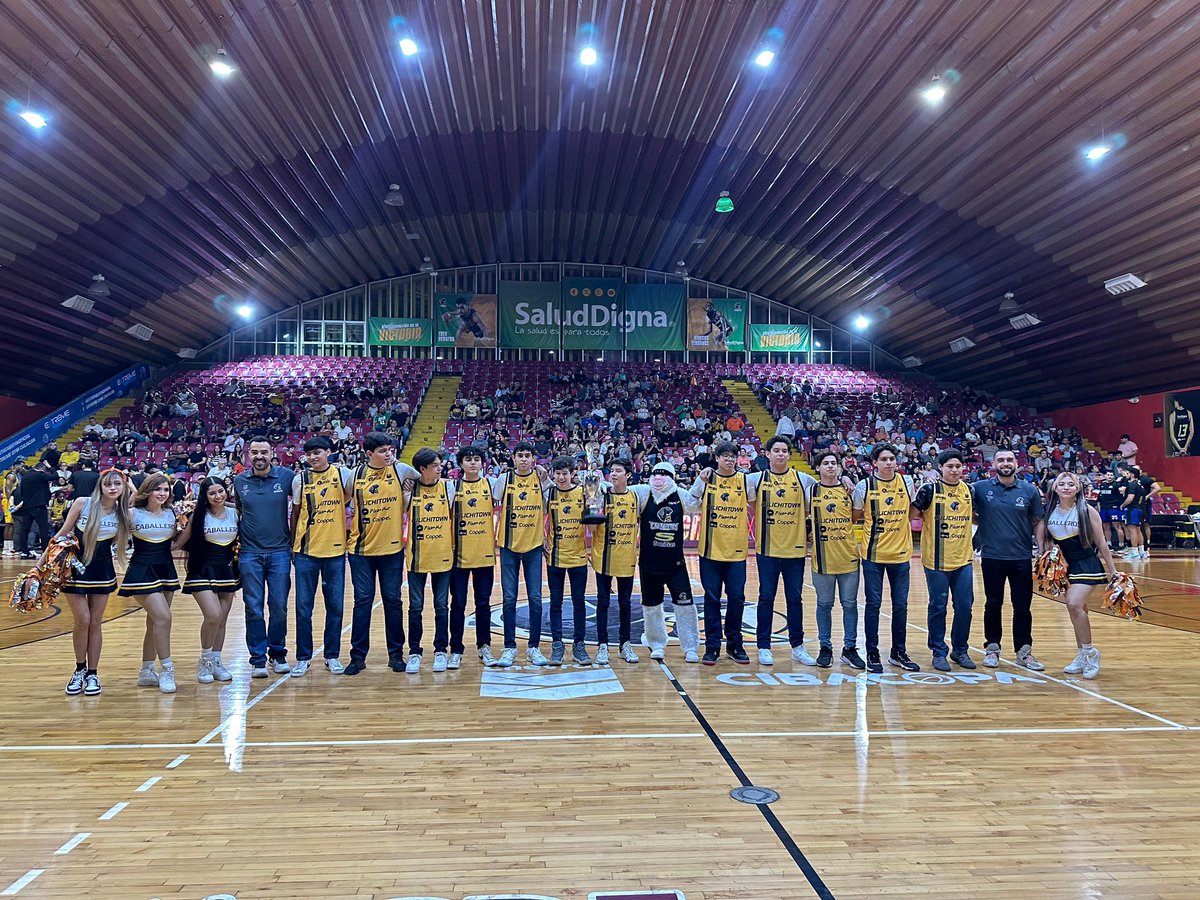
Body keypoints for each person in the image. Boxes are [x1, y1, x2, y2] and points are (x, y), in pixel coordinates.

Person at [44, 468, 129, 696]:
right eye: (108, 484)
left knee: (96, 622)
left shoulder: (123, 513)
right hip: (73, 569)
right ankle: (79, 669)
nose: (112, 488)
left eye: (117, 485)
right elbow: (61, 533)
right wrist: (38, 566)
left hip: (102, 571)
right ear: (100, 486)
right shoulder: (83, 503)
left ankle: (93, 673)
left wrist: (129, 486)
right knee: (83, 619)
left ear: (123, 488)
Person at [1035, 471, 1117, 679]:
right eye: (1061, 484)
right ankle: (1081, 653)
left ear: (1078, 488)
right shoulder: (1049, 511)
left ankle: (1090, 653)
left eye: (1070, 484)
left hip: (1086, 562)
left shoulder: (1087, 511)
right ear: (1054, 488)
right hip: (1064, 565)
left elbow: (1101, 544)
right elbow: (1043, 542)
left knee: (1073, 603)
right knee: (1077, 610)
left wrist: (1113, 571)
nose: (1065, 487)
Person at [746, 435, 817, 666]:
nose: (780, 454)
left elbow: (826, 485)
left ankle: (797, 646)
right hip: (767, 550)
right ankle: (763, 646)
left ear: (789, 454)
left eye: (784, 450)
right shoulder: (756, 479)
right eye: (776, 450)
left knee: (794, 599)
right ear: (767, 454)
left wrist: (846, 480)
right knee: (766, 597)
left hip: (795, 552)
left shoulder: (803, 479)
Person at [972, 449, 1045, 670]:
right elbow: (969, 512)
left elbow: (1037, 521)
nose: (1005, 463)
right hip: (992, 556)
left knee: (1022, 606)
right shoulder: (980, 488)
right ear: (993, 463)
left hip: (1021, 557)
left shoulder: (1029, 490)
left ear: (1016, 463)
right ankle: (992, 648)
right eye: (1001, 460)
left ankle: (1024, 651)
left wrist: (1041, 550)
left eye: (1009, 460)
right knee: (993, 604)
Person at [851, 444, 920, 673]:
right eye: (884, 459)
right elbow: (856, 515)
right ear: (875, 463)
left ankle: (898, 652)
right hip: (873, 555)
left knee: (900, 605)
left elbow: (912, 512)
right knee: (873, 605)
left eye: (892, 458)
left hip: (901, 554)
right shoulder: (865, 486)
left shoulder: (906, 482)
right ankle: (872, 652)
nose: (889, 462)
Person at [344, 432, 407, 676]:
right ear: (369, 454)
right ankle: (357, 657)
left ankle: (396, 655)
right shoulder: (354, 475)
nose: (388, 454)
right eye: (382, 451)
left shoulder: (401, 471)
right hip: (361, 551)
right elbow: (344, 500)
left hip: (392, 550)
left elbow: (426, 477)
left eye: (389, 449)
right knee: (362, 602)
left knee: (393, 601)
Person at [119, 473, 189, 694]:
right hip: (141, 570)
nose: (162, 493)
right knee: (164, 617)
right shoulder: (132, 513)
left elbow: (176, 543)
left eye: (166, 490)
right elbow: (114, 528)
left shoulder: (171, 514)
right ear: (147, 491)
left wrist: (192, 521)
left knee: (155, 622)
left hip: (165, 570)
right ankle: (167, 669)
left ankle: (146, 670)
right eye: (158, 489)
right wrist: (132, 495)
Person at [233, 438, 295, 678]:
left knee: (278, 606)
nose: (259, 456)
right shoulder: (240, 481)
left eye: (264, 452)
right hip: (249, 553)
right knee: (254, 608)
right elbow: (240, 510)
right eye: (255, 452)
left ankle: (277, 653)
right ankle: (258, 659)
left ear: (272, 453)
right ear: (249, 455)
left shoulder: (286, 477)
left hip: (280, 551)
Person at [631, 461, 702, 662]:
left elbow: (696, 502)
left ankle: (690, 646)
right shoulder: (644, 493)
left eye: (663, 474)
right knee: (651, 607)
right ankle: (656, 643)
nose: (658, 478)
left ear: (671, 477)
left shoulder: (679, 495)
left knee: (686, 605)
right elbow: (621, 493)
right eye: (655, 474)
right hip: (649, 564)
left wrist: (701, 479)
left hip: (675, 565)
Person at [913, 449, 976, 671]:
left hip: (964, 559)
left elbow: (976, 517)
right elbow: (912, 515)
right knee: (938, 606)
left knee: (965, 607)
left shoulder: (969, 490)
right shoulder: (929, 490)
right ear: (940, 467)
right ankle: (938, 652)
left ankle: (960, 650)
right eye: (950, 466)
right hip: (936, 561)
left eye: (958, 466)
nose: (955, 470)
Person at [290, 436, 348, 675]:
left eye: (318, 452)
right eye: (309, 453)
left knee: (335, 607)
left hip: (335, 552)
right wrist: (293, 545)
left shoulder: (343, 475)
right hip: (306, 553)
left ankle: (332, 656)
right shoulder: (299, 479)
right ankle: (303, 657)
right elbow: (295, 514)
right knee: (303, 608)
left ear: (328, 452)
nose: (313, 457)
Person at [691, 441, 752, 665]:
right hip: (710, 551)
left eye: (732, 456)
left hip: (736, 552)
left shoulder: (746, 480)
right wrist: (700, 477)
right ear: (716, 458)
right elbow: (691, 500)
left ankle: (735, 645)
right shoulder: (707, 479)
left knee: (737, 598)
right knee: (712, 599)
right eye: (724, 456)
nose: (729, 460)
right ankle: (712, 646)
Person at [176, 477, 239, 685]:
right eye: (212, 493)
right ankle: (204, 660)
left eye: (220, 491)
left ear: (226, 491)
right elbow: (180, 542)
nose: (217, 496)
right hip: (201, 569)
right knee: (213, 615)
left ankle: (216, 661)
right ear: (205, 495)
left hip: (227, 569)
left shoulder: (235, 513)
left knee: (222, 619)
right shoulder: (197, 516)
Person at [494, 442, 551, 667]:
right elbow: (493, 500)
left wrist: (544, 475)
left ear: (533, 458)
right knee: (509, 599)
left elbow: (553, 497)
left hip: (534, 547)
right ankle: (509, 648)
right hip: (508, 547)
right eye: (521, 455)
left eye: (528, 455)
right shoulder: (504, 480)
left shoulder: (541, 479)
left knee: (535, 599)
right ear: (514, 458)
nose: (524, 459)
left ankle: (533, 648)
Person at [809, 451, 864, 669]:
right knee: (824, 604)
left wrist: (847, 479)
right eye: (826, 463)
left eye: (834, 463)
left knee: (850, 604)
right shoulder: (810, 490)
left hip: (848, 557)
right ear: (818, 468)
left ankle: (849, 648)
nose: (830, 466)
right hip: (822, 560)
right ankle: (825, 647)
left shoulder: (850, 490)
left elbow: (855, 516)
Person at [403, 448, 455, 673]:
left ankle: (441, 650)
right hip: (417, 558)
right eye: (434, 465)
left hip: (443, 556)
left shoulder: (449, 487)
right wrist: (410, 479)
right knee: (415, 608)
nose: (439, 468)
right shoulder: (408, 491)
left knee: (441, 607)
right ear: (422, 469)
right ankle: (415, 652)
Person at [448, 446, 499, 668]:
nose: (472, 463)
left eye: (477, 459)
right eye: (468, 459)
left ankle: (484, 646)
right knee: (458, 604)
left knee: (483, 604)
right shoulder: (451, 487)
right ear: (460, 463)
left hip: (484, 555)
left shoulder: (492, 485)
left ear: (482, 463)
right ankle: (456, 649)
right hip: (458, 556)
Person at [542, 456, 592, 666]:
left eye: (565, 473)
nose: (561, 477)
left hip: (579, 556)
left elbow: (596, 518)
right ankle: (557, 644)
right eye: (558, 473)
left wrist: (594, 493)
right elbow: (535, 518)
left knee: (579, 602)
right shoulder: (549, 493)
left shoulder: (584, 493)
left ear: (574, 474)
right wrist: (542, 538)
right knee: (556, 603)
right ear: (553, 473)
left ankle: (579, 645)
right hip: (555, 556)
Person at [591, 459, 640, 665]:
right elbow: (592, 528)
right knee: (603, 602)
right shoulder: (602, 495)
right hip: (603, 555)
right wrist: (592, 501)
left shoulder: (636, 496)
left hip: (626, 557)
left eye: (618, 471)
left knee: (625, 603)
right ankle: (602, 645)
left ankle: (624, 644)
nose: (614, 474)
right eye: (612, 471)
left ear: (628, 475)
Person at [16, 454, 54, 559]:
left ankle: (24, 552)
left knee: (25, 529)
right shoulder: (40, 475)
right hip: (39, 506)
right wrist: (50, 466)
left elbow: (22, 491)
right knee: (43, 528)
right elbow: (55, 475)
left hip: (27, 506)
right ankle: (45, 551)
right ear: (42, 469)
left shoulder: (25, 477)